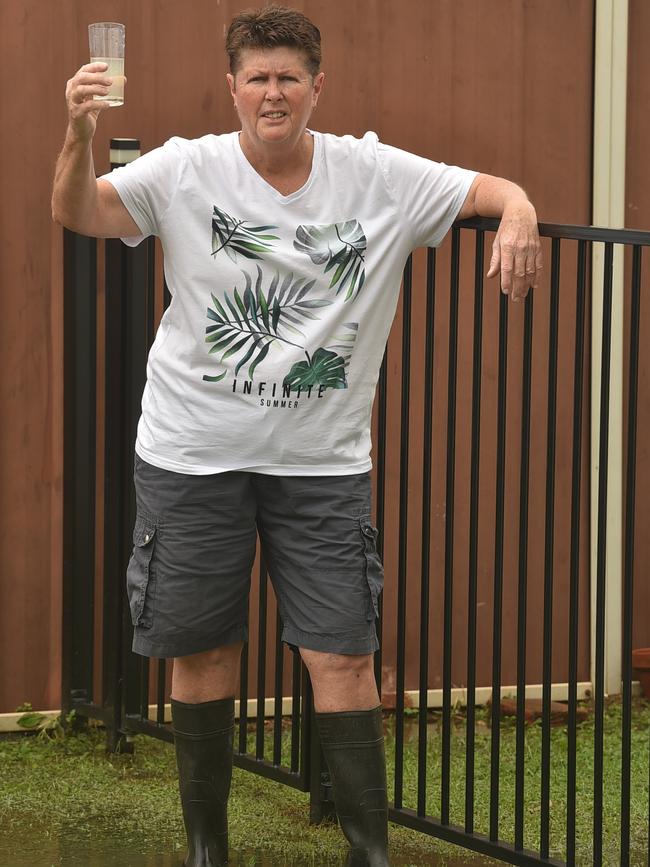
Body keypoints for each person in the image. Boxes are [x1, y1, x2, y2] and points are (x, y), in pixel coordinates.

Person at [52, 6, 542, 866]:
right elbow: (81, 214)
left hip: (321, 465)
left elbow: (486, 190)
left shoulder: (375, 172)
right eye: (257, 77)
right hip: (192, 453)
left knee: (344, 655)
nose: (272, 92)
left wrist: (522, 213)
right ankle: (209, 849)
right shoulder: (185, 168)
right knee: (202, 653)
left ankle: (369, 852)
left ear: (319, 88)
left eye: (288, 77)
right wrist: (76, 134)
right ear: (231, 88)